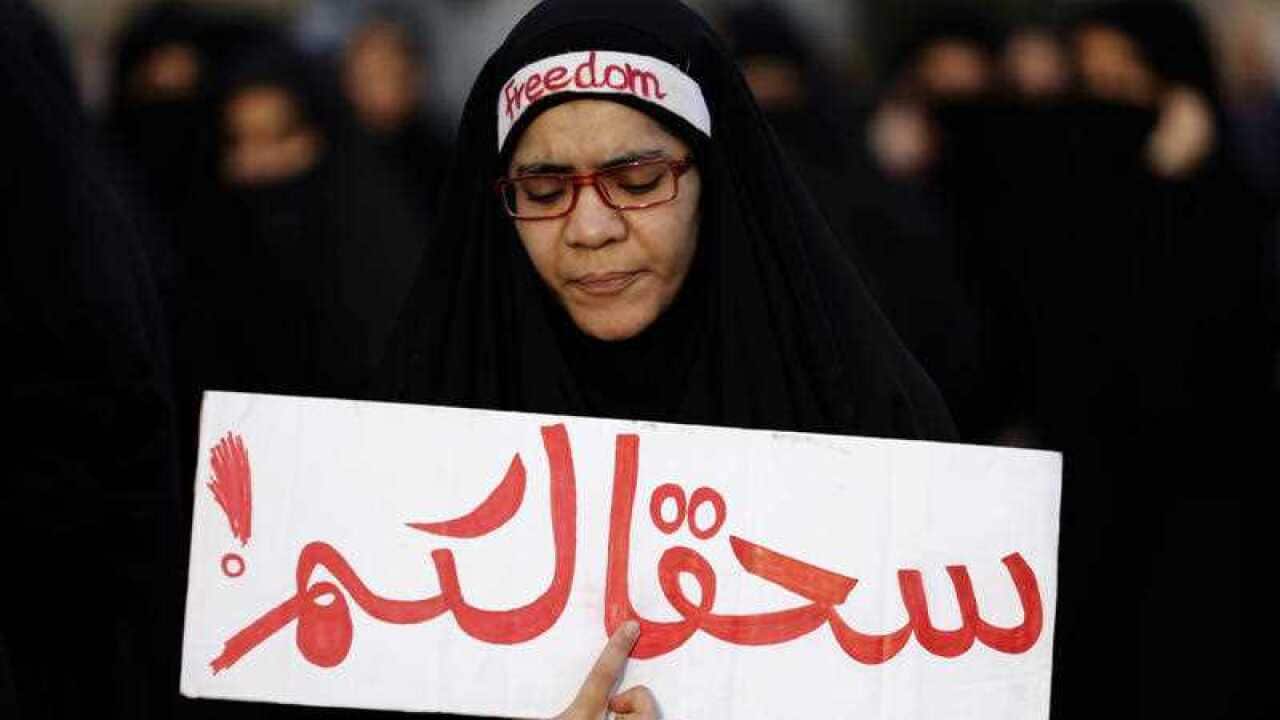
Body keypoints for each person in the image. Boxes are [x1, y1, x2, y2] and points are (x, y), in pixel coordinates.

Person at [378, 0, 956, 713]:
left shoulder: (870, 421)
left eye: (640, 182)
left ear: (714, 179)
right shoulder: (413, 437)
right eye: (543, 190)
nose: (589, 229)